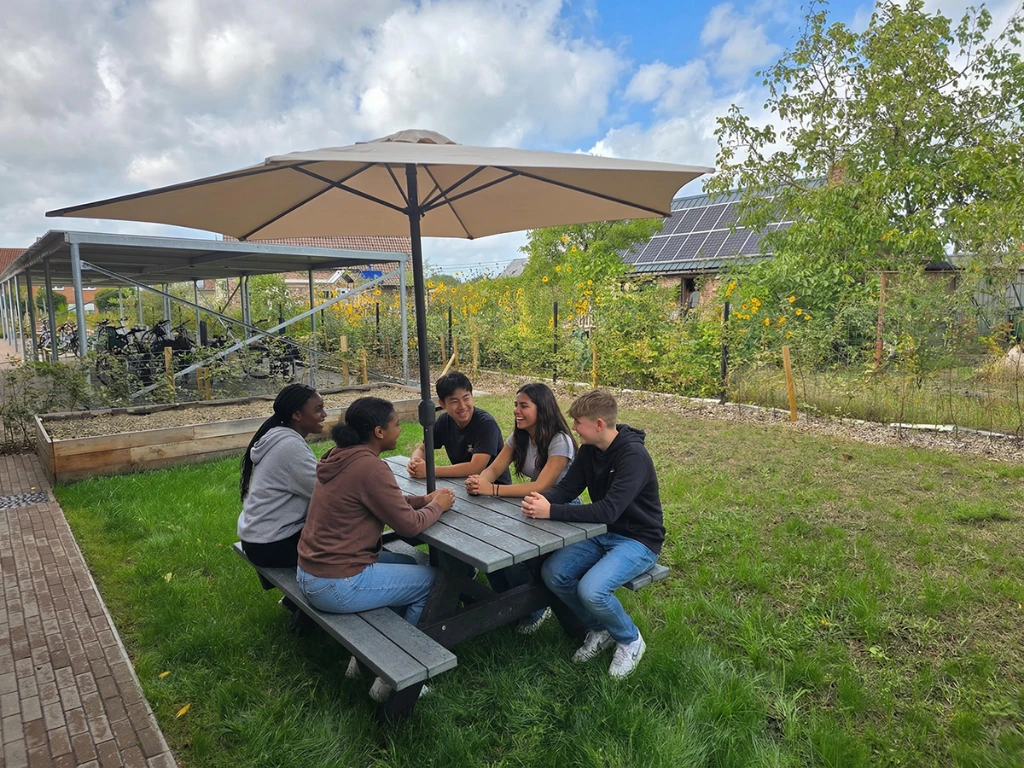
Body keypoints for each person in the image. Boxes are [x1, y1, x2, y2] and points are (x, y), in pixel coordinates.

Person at [297, 397, 456, 702]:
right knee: (436, 582)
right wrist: (438, 505)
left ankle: (361, 663)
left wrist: (423, 501)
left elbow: (385, 502)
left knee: (408, 564)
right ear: (379, 432)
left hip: (311, 571)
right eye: (397, 424)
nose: (400, 429)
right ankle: (395, 674)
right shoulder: (370, 467)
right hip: (336, 583)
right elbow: (410, 526)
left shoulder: (342, 455)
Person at [523, 388, 665, 679]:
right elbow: (567, 489)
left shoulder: (632, 456)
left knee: (592, 590)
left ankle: (629, 639)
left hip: (639, 540)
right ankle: (600, 629)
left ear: (599, 424)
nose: (573, 427)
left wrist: (552, 511)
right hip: (602, 533)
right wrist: (541, 499)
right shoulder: (589, 450)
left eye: (578, 422)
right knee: (554, 573)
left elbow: (607, 511)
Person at [238, 384, 326, 605]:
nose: (324, 414)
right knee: (345, 534)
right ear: (297, 415)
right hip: (271, 545)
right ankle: (316, 598)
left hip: (258, 538)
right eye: (318, 409)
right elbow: (327, 494)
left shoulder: (279, 437)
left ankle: (296, 600)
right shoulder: (289, 447)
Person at [407, 372, 511, 484]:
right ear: (442, 404)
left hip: (494, 489)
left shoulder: (486, 424)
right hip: (463, 485)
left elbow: (475, 468)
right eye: (454, 401)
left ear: (472, 396)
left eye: (466, 398)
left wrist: (430, 471)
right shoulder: (444, 421)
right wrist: (415, 462)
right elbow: (422, 449)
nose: (462, 406)